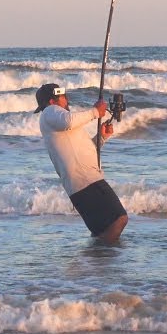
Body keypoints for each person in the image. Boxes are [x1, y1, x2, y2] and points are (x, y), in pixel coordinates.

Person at [35, 83, 128, 242]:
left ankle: (94, 261)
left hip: (80, 182)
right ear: (52, 101)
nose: (67, 101)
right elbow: (69, 121)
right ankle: (101, 256)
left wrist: (101, 137)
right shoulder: (50, 112)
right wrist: (95, 112)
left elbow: (81, 150)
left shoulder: (56, 121)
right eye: (64, 97)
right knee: (119, 218)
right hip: (85, 180)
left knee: (102, 228)